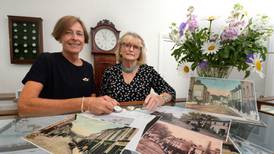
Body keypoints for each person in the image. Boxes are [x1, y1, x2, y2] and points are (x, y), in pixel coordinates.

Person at [18, 16, 118, 117]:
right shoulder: (46, 60)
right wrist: (84, 103)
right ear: (60, 37)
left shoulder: (88, 67)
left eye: (79, 34)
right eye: (68, 32)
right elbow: (24, 107)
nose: (74, 38)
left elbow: (92, 100)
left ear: (84, 39)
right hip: (50, 127)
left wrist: (103, 102)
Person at [100, 32, 176, 111]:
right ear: (120, 50)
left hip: (141, 117)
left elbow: (171, 92)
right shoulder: (109, 72)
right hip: (116, 116)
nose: (131, 49)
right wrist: (105, 100)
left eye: (136, 47)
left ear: (140, 52)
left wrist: (161, 98)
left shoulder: (148, 72)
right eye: (127, 45)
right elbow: (101, 97)